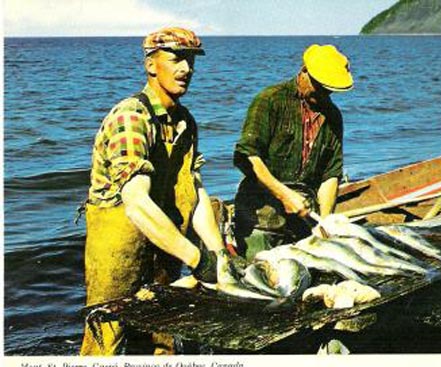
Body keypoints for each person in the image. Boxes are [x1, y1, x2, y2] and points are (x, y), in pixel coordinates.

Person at [81, 27, 224, 355]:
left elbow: (195, 192)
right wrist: (195, 257)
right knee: (107, 336)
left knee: (164, 335)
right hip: (119, 248)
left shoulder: (185, 122)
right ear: (151, 65)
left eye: (190, 60)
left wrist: (216, 255)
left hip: (164, 244)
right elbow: (137, 204)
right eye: (176, 59)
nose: (186, 69)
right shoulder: (131, 117)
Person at [233, 44, 353, 261]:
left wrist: (324, 223)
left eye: (329, 89)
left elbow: (330, 174)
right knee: (259, 276)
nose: (323, 94)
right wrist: (284, 194)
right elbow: (248, 157)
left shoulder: (333, 116)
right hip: (260, 214)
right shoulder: (270, 100)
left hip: (304, 217)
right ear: (304, 71)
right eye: (319, 86)